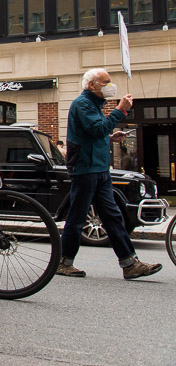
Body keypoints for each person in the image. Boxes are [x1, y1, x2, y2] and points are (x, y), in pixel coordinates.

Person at [57, 68, 161, 280]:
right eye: (106, 82)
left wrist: (111, 137)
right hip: (86, 169)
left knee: (112, 217)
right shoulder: (83, 104)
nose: (110, 86)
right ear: (92, 85)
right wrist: (120, 111)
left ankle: (130, 264)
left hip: (99, 169)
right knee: (77, 217)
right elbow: (96, 130)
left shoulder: (94, 105)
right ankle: (64, 262)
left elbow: (95, 133)